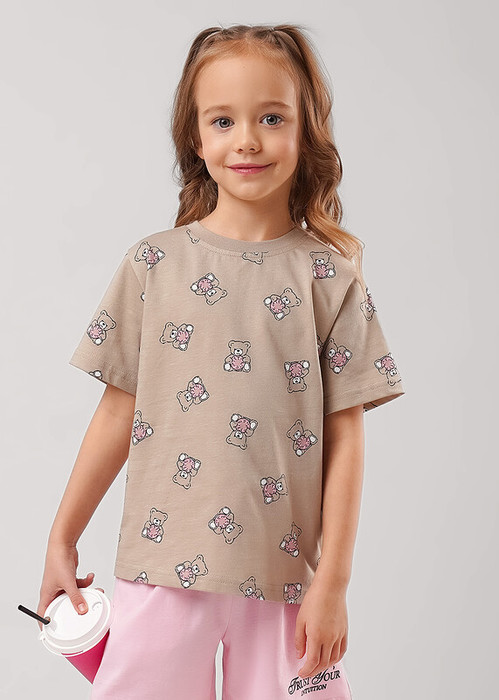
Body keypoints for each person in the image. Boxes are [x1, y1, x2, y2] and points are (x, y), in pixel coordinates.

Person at [37, 23, 405, 700]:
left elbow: (346, 441)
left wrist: (333, 583)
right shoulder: (153, 264)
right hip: (160, 572)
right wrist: (62, 538)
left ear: (305, 129)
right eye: (223, 120)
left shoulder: (330, 279)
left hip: (286, 583)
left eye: (272, 118)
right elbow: (117, 412)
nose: (247, 140)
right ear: (196, 138)